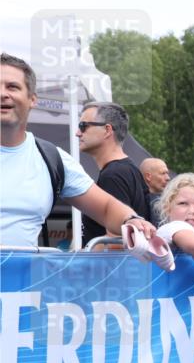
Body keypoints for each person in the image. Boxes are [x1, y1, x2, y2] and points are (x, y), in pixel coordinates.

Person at [0, 53, 156, 248]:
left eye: (12, 87)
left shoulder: (52, 159)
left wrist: (130, 219)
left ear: (32, 99)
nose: (3, 93)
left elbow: (106, 207)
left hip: (23, 278)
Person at [76, 101, 152, 246]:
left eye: (83, 126)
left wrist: (82, 260)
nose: (77, 133)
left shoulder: (114, 175)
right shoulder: (127, 170)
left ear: (107, 130)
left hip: (108, 267)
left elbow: (116, 242)